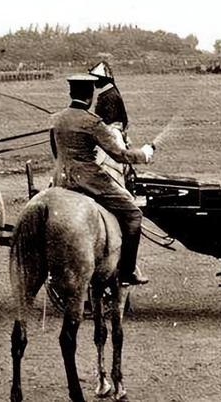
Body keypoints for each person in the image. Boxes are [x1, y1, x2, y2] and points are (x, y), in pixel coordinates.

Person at [50, 75, 155, 286]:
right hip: (89, 181)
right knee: (134, 214)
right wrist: (144, 153)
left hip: (60, 180)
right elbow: (119, 155)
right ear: (90, 96)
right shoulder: (92, 123)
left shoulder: (56, 119)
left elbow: (55, 151)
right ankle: (127, 271)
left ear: (71, 93)